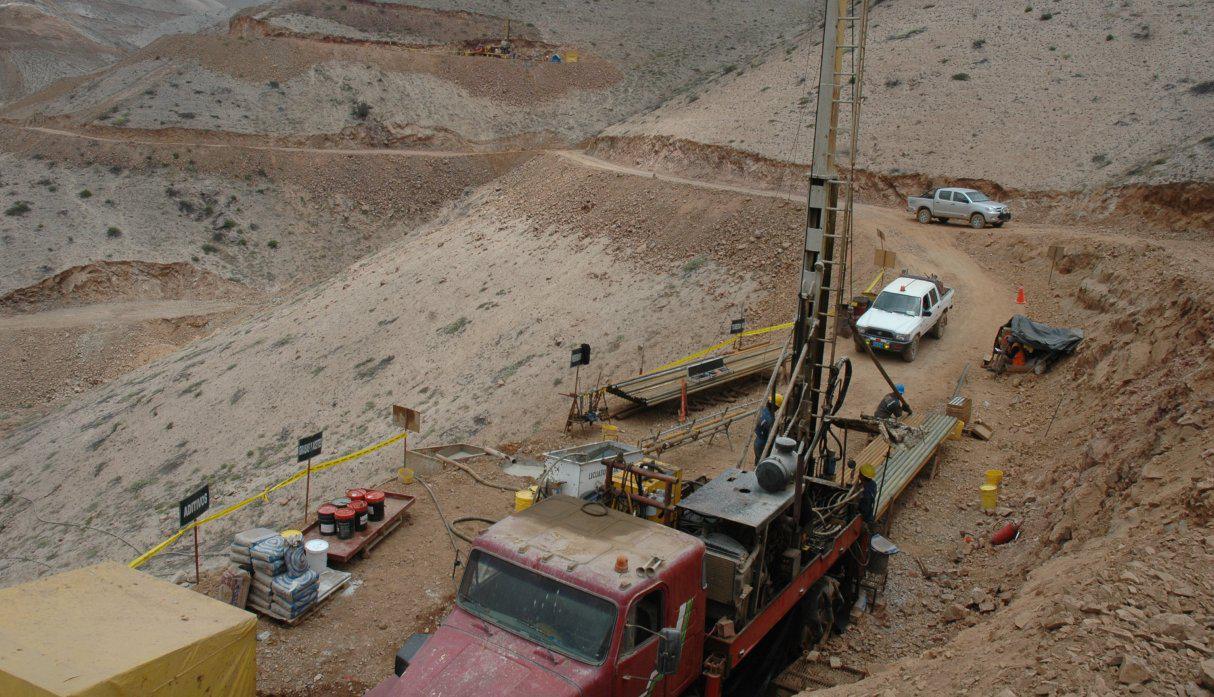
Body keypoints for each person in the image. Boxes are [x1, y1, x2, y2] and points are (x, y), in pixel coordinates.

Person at [753, 393, 783, 465]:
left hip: (757, 441)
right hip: (764, 444)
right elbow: (772, 435)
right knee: (763, 464)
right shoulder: (770, 420)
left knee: (758, 460)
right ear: (776, 407)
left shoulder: (763, 410)